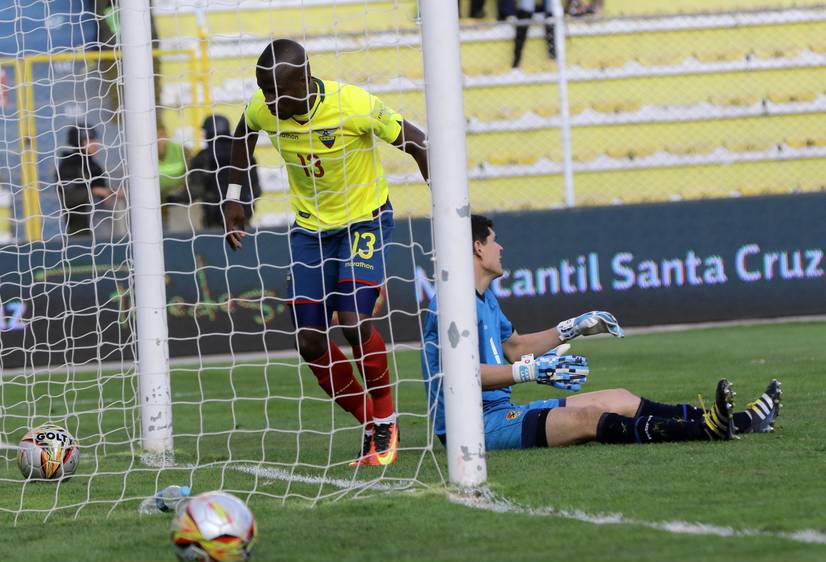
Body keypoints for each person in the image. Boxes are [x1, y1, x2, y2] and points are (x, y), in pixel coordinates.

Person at [223, 39, 429, 466]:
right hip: (310, 232)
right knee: (309, 339)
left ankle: (387, 418)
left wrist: (444, 202)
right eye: (263, 91)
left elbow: (418, 142)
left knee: (353, 321)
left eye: (276, 92)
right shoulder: (265, 107)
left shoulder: (352, 103)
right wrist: (234, 197)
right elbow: (242, 134)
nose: (268, 102)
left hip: (365, 222)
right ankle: (369, 421)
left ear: (303, 79)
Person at [421, 214, 783, 451]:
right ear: (478, 247)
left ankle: (742, 420)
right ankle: (707, 429)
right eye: (494, 241)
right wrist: (530, 371)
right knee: (587, 418)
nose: (501, 248)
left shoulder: (485, 297)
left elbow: (515, 347)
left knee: (618, 398)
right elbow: (461, 375)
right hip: (471, 428)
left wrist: (572, 328)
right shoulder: (450, 304)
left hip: (501, 411)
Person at [189, 114, 261, 229]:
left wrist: (173, 198)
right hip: (243, 215)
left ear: (209, 134)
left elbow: (195, 190)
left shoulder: (202, 157)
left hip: (215, 219)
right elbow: (256, 190)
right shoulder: (245, 153)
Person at [55, 123, 114, 239]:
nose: (95, 143)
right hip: (79, 230)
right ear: (78, 143)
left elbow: (102, 191)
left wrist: (113, 192)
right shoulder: (69, 166)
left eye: (94, 139)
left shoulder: (94, 166)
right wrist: (93, 191)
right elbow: (68, 197)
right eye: (89, 140)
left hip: (101, 226)